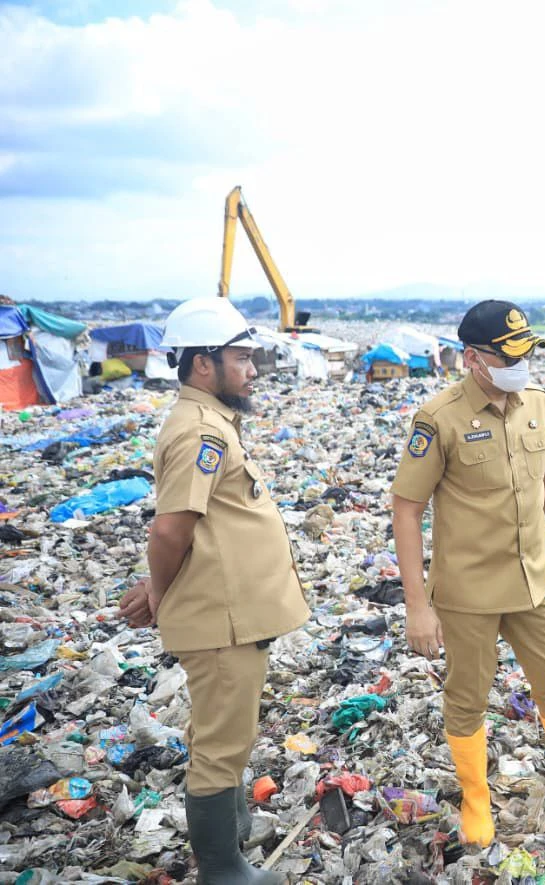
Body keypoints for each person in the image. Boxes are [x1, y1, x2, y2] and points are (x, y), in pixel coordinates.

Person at [389, 300, 545, 847]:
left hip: (533, 580)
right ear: (472, 358)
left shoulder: (538, 405)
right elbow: (406, 508)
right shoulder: (439, 418)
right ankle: (476, 798)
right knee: (468, 694)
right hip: (468, 589)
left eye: (527, 352)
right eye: (510, 355)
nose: (522, 365)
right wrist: (417, 606)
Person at [119, 297, 309, 885]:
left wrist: (159, 588)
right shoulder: (199, 431)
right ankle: (223, 872)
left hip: (235, 614)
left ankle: (234, 840)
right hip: (223, 620)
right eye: (242, 358)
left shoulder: (212, 423)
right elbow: (172, 528)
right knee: (222, 744)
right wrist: (156, 590)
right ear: (204, 363)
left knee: (224, 732)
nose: (252, 370)